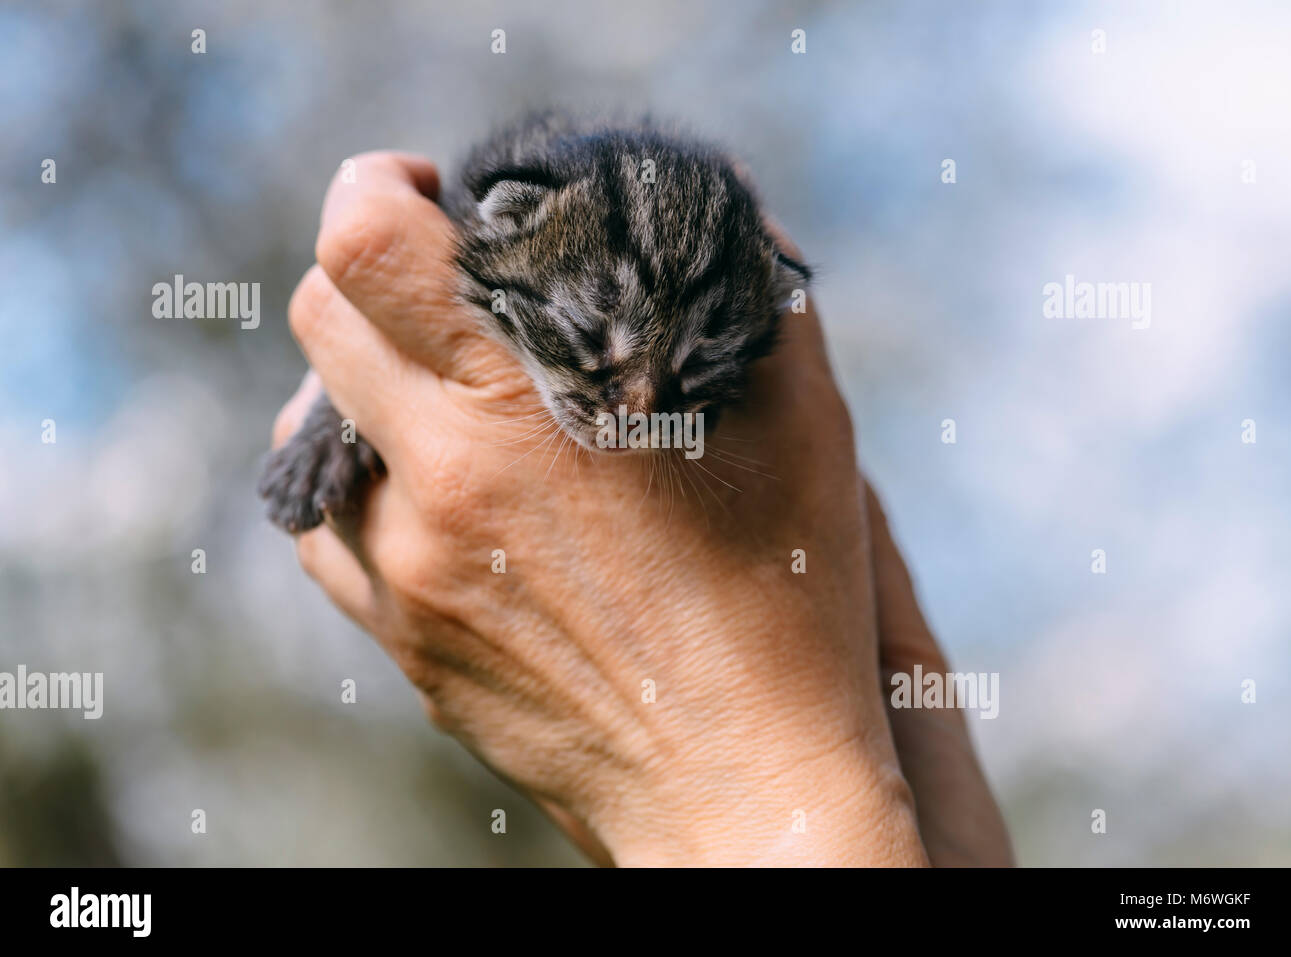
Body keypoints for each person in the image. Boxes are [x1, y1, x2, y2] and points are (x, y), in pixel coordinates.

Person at [269, 151, 1014, 867]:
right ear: (508, 223)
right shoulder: (505, 219)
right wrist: (340, 415)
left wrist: (700, 791)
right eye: (594, 341)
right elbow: (397, 325)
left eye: (691, 367)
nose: (636, 412)